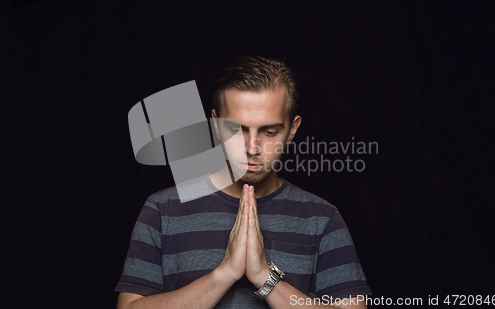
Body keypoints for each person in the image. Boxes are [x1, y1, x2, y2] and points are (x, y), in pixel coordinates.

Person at [115, 56, 371, 308]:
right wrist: (225, 273)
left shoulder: (323, 219)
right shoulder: (163, 209)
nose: (251, 148)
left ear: (292, 130)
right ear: (216, 124)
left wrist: (264, 276)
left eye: (269, 132)